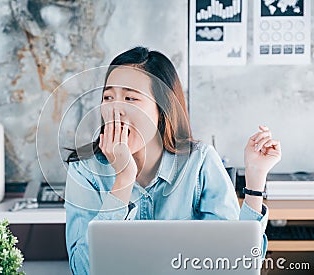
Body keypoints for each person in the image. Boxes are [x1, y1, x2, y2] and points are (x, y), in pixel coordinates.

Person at [64, 46, 281, 275]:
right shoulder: (84, 170)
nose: (116, 110)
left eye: (130, 98)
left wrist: (255, 180)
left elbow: (235, 263)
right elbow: (82, 270)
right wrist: (123, 179)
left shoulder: (199, 163)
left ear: (162, 108)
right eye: (108, 97)